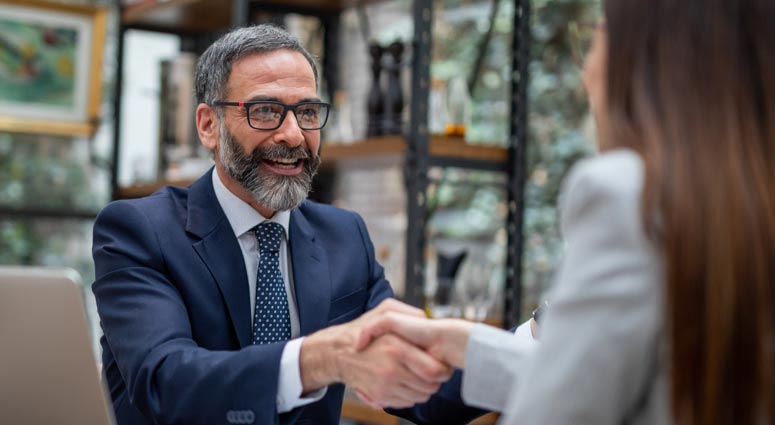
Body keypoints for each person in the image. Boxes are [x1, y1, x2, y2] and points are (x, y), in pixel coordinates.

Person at [358, 0, 775, 424]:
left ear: (644, 61)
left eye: (597, 36)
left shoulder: (627, 196)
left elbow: (559, 410)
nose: (586, 67)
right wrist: (473, 347)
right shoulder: (742, 205)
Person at [92, 25, 472, 425]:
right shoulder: (139, 230)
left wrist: (532, 339)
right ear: (208, 125)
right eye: (266, 111)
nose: (293, 135)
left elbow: (428, 393)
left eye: (307, 113)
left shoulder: (344, 236)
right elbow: (167, 383)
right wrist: (320, 358)